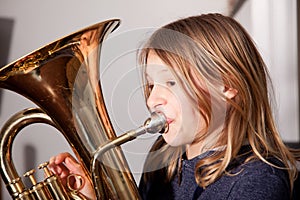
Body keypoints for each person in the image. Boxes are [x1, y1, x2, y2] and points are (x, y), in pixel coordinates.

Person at [49, 13, 300, 199]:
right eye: (150, 86)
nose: (151, 100)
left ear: (227, 86)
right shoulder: (163, 162)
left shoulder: (257, 181)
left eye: (170, 82)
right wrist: (95, 196)